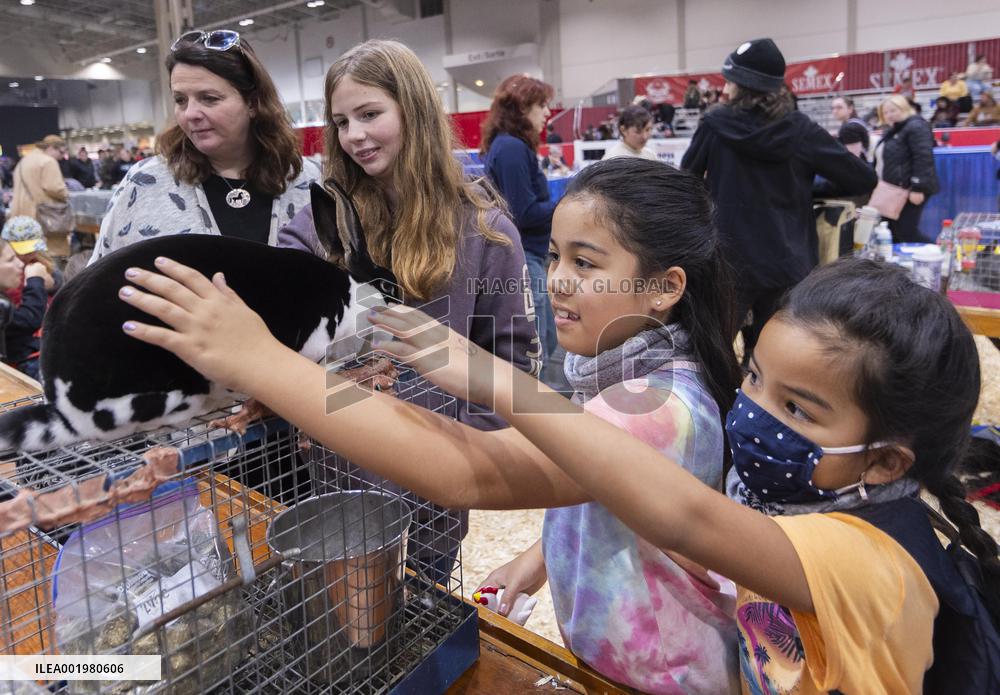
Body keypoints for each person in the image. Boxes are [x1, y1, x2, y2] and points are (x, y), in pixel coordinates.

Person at [118, 158, 744, 694]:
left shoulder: (652, 408)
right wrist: (534, 562)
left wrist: (259, 360)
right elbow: (603, 488)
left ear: (664, 288)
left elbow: (464, 470)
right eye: (554, 256)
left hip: (659, 677)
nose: (556, 280)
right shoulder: (621, 376)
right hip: (612, 657)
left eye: (585, 262)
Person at [279, 39, 537, 584]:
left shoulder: (485, 232)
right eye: (341, 122)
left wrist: (466, 456)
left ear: (413, 111)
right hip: (341, 481)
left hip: (435, 493)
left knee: (426, 610)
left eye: (370, 114)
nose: (354, 136)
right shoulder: (318, 225)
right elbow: (282, 332)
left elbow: (509, 360)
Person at [681, 37, 876, 362]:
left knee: (709, 357)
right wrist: (806, 191)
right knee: (773, 360)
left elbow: (686, 181)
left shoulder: (714, 125)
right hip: (787, 262)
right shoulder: (799, 130)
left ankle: (714, 410)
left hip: (727, 258)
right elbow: (862, 177)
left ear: (738, 86)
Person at [90, 29, 319, 262]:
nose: (190, 114)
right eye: (180, 100)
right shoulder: (144, 183)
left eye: (209, 98)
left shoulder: (307, 181)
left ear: (252, 102)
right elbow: (96, 278)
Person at [481, 74, 559, 373]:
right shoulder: (512, 148)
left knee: (544, 339)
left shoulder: (510, 146)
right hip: (525, 254)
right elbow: (522, 213)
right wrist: (562, 204)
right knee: (536, 345)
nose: (547, 113)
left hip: (529, 253)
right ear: (522, 109)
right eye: (542, 105)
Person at [872, 94, 939, 243]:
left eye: (893, 110)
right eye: (885, 112)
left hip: (910, 189)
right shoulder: (894, 131)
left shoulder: (916, 126)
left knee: (906, 232)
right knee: (893, 231)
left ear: (904, 108)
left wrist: (918, 187)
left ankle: (937, 254)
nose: (889, 115)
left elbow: (923, 156)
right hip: (894, 189)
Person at [0, 219, 53, 380]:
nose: (20, 263)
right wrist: (36, 282)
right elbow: (27, 320)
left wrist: (50, 283)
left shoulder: (39, 264)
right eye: (10, 259)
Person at [9, 135, 69, 224]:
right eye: (61, 152)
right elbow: (54, 188)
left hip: (19, 218)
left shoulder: (22, 162)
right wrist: (66, 194)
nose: (62, 157)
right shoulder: (48, 161)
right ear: (51, 148)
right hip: (41, 217)